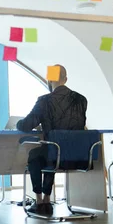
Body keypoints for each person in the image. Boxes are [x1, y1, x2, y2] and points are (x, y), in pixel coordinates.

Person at [17, 65, 87, 214]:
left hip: (55, 154)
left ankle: (40, 200)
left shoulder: (44, 101)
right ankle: (47, 200)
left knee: (36, 156)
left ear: (49, 80)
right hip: (78, 156)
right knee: (51, 152)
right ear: (65, 79)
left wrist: (17, 123)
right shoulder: (81, 100)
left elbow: (26, 125)